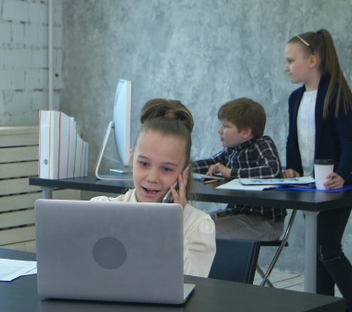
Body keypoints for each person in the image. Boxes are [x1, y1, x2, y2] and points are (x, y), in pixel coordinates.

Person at [283, 29, 352, 312]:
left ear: (313, 60)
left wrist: (341, 175)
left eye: (291, 60)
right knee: (319, 252)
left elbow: (350, 144)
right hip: (310, 186)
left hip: (340, 185)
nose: (287, 67)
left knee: (327, 249)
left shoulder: (335, 93)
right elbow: (292, 141)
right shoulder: (295, 98)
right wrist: (291, 168)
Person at [91, 98, 216, 278]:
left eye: (166, 169)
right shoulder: (101, 210)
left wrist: (171, 225)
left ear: (184, 173)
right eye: (144, 163)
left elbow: (189, 285)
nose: (152, 178)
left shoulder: (197, 226)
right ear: (132, 159)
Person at [193, 98, 286, 241]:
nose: (220, 131)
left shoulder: (262, 144)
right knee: (190, 229)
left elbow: (272, 170)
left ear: (245, 132)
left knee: (202, 234)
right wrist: (181, 167)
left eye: (225, 126)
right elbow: (211, 162)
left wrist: (231, 173)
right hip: (236, 214)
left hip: (264, 222)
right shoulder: (232, 149)